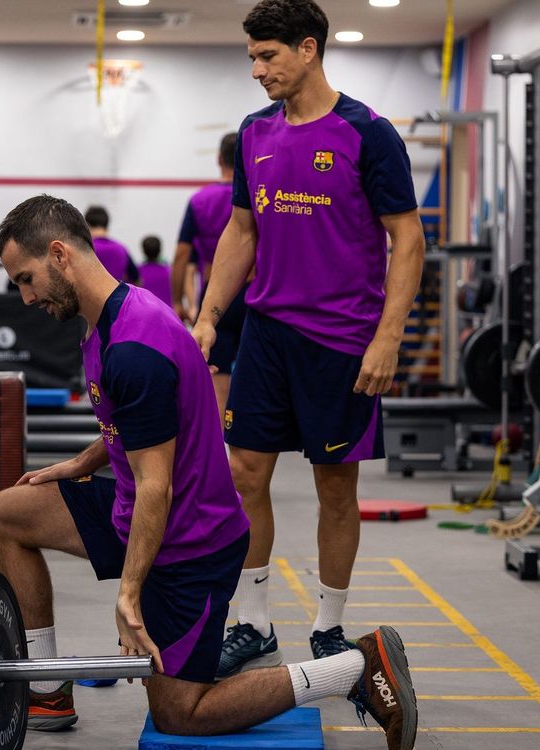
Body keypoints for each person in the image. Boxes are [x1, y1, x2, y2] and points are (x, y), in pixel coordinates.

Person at [0, 194, 417, 748]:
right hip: (138, 514)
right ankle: (45, 687)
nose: (26, 297)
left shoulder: (134, 346)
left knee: (181, 714)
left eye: (26, 279)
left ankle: (354, 667)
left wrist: (129, 594)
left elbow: (157, 486)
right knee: (7, 514)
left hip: (188, 545)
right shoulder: (109, 316)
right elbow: (138, 422)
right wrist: (81, 463)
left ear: (59, 254)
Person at [191, 0, 425, 678]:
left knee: (335, 487)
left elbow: (408, 239)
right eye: (252, 58)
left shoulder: (368, 133)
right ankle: (254, 621)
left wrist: (388, 338)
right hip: (267, 332)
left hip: (342, 338)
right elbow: (241, 231)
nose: (257, 70)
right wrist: (208, 316)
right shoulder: (255, 132)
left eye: (267, 56)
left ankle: (328, 626)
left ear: (308, 49)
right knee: (243, 473)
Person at [173, 132, 250, 425]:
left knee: (217, 384)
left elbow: (182, 255)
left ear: (219, 159)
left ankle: (219, 446)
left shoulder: (200, 200)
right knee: (255, 378)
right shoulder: (257, 196)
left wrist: (177, 301)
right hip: (254, 292)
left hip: (216, 295)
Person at [85, 205, 140, 283]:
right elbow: (136, 278)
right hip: (118, 290)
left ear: (86, 224)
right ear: (106, 224)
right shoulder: (121, 249)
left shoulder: (85, 248)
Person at [137, 235, 173, 307]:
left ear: (143, 251)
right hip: (168, 312)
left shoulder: (136, 274)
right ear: (160, 250)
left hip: (145, 312)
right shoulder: (170, 272)